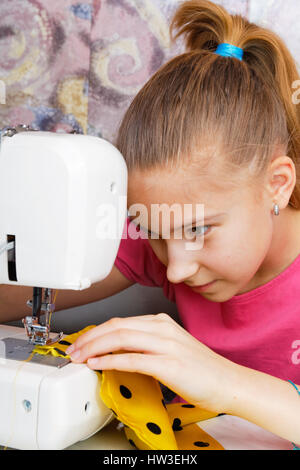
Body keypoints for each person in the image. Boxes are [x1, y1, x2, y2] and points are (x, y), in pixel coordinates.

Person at [1, 0, 300, 448]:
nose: (176, 268)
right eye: (154, 231)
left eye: (198, 231)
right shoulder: (160, 233)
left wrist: (222, 380)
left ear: (277, 185)